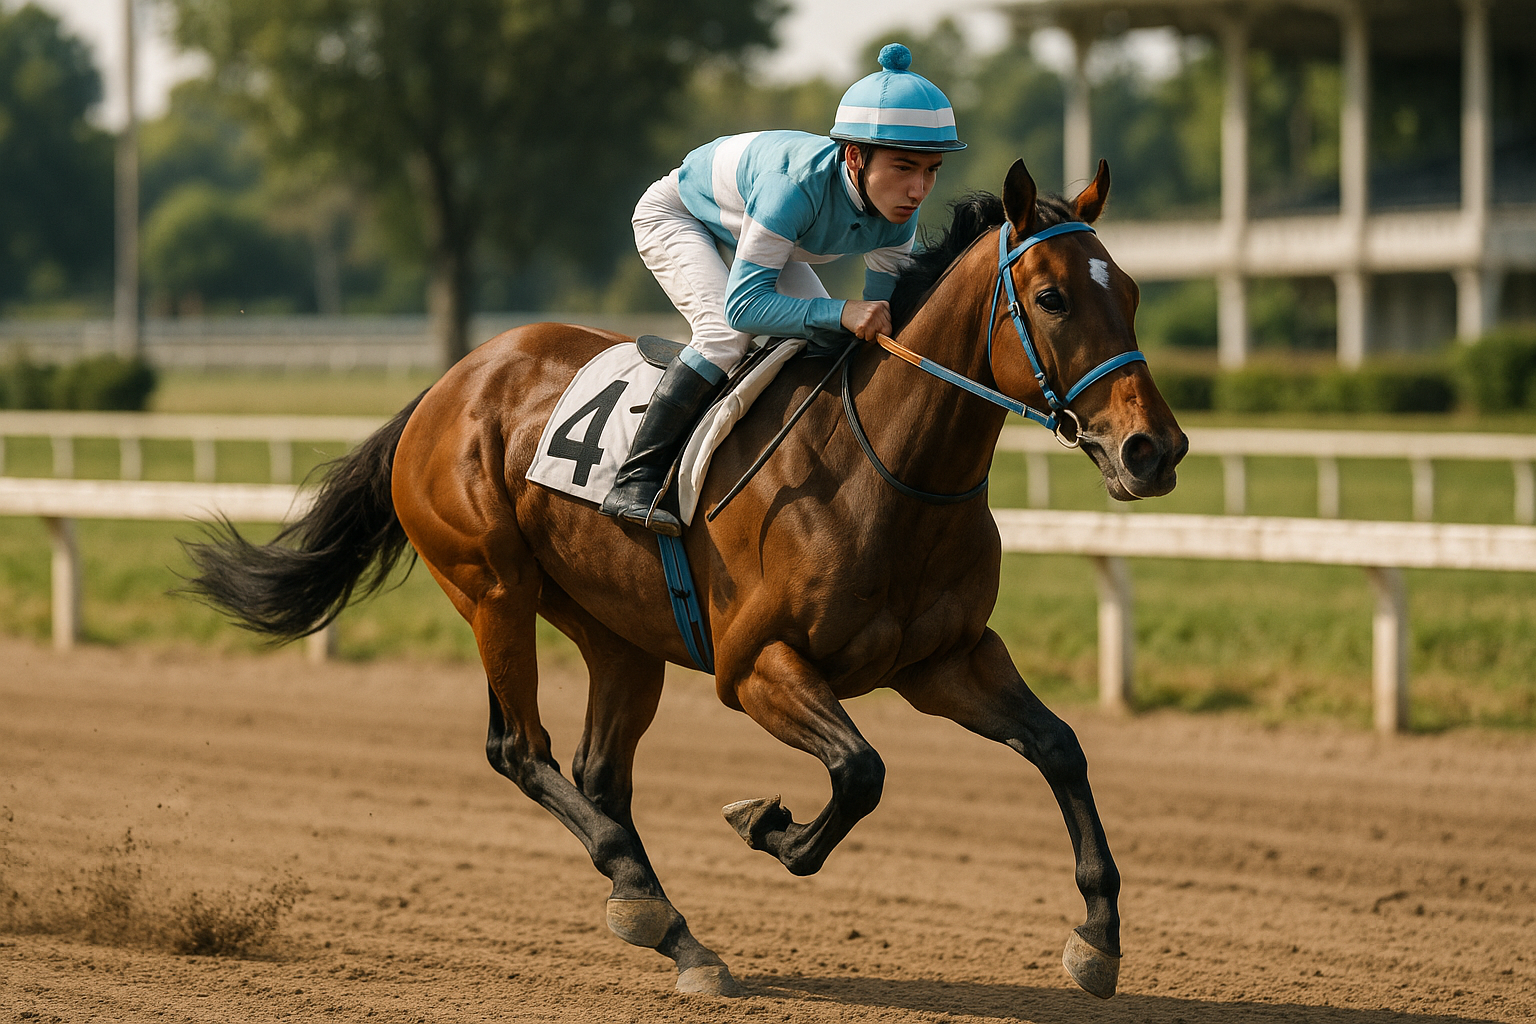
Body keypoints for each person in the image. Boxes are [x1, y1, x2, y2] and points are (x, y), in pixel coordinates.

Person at [600, 42, 967, 536]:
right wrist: (840, 311)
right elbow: (744, 306)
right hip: (682, 215)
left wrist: (851, 321)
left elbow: (882, 319)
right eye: (903, 168)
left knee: (833, 337)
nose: (919, 191)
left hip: (763, 230)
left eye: (930, 172)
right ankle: (635, 481)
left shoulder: (899, 213)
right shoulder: (795, 187)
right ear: (855, 156)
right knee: (724, 336)